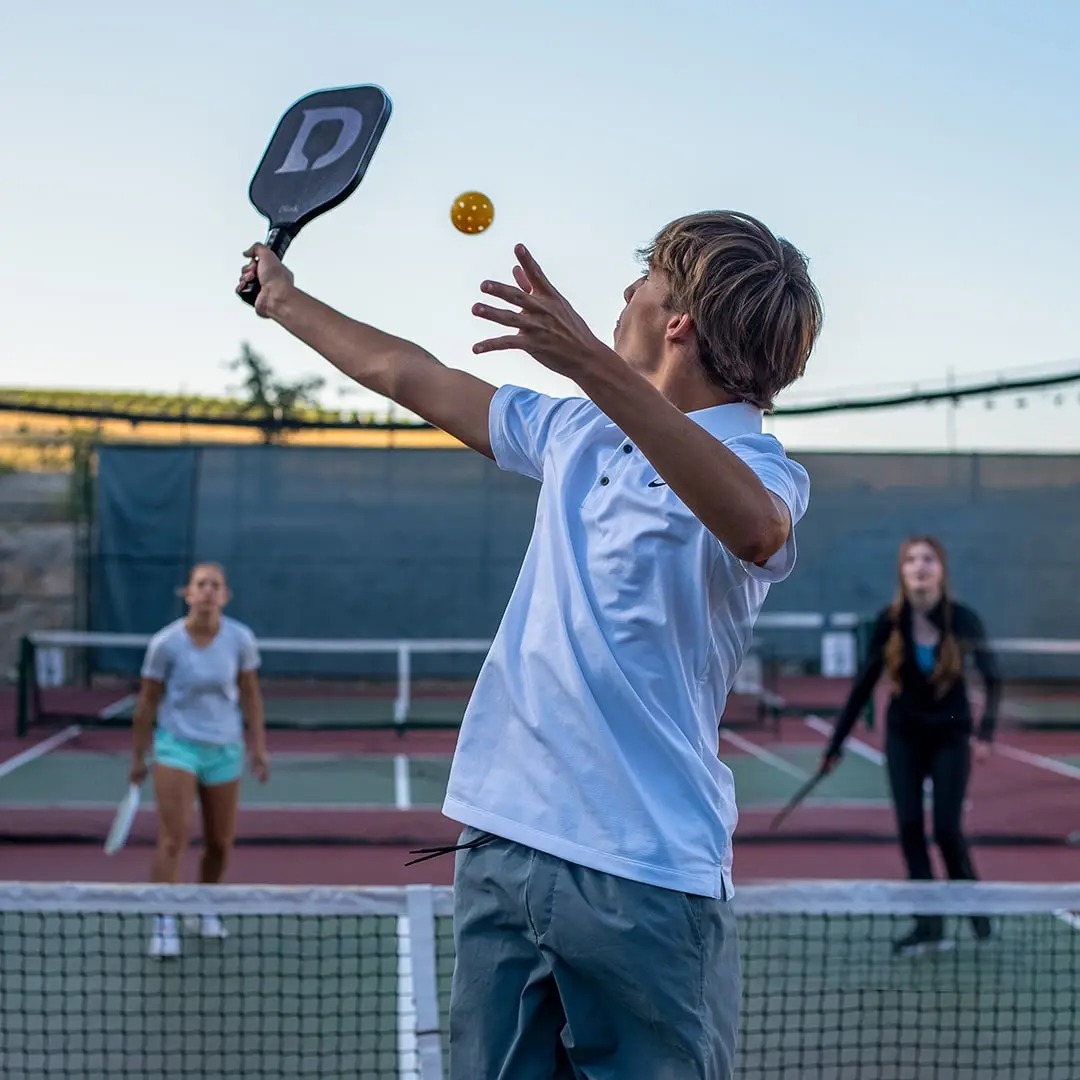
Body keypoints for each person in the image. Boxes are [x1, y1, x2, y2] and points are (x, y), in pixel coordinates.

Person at [237, 210, 822, 1078]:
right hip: (503, 842)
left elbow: (755, 528)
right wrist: (285, 301)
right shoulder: (576, 433)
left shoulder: (763, 470)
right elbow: (410, 374)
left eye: (644, 279)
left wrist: (587, 361)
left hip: (646, 875)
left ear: (678, 323)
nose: (623, 293)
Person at [821, 535, 1000, 955]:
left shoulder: (963, 620)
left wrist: (985, 735)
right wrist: (835, 746)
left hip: (951, 735)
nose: (920, 566)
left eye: (929, 559)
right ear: (902, 571)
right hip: (904, 735)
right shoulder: (889, 621)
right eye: (912, 560)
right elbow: (863, 686)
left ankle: (977, 910)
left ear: (941, 569)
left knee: (946, 829)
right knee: (908, 829)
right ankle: (929, 924)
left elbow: (993, 677)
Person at [130, 561, 270, 958]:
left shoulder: (240, 639)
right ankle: (163, 920)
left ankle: (204, 905)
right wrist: (138, 757)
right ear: (188, 594)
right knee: (173, 837)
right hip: (177, 746)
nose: (208, 591)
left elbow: (250, 695)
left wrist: (258, 745)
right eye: (201, 584)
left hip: (225, 748)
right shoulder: (166, 644)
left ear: (224, 595)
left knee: (220, 843)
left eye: (215, 585)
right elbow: (146, 704)